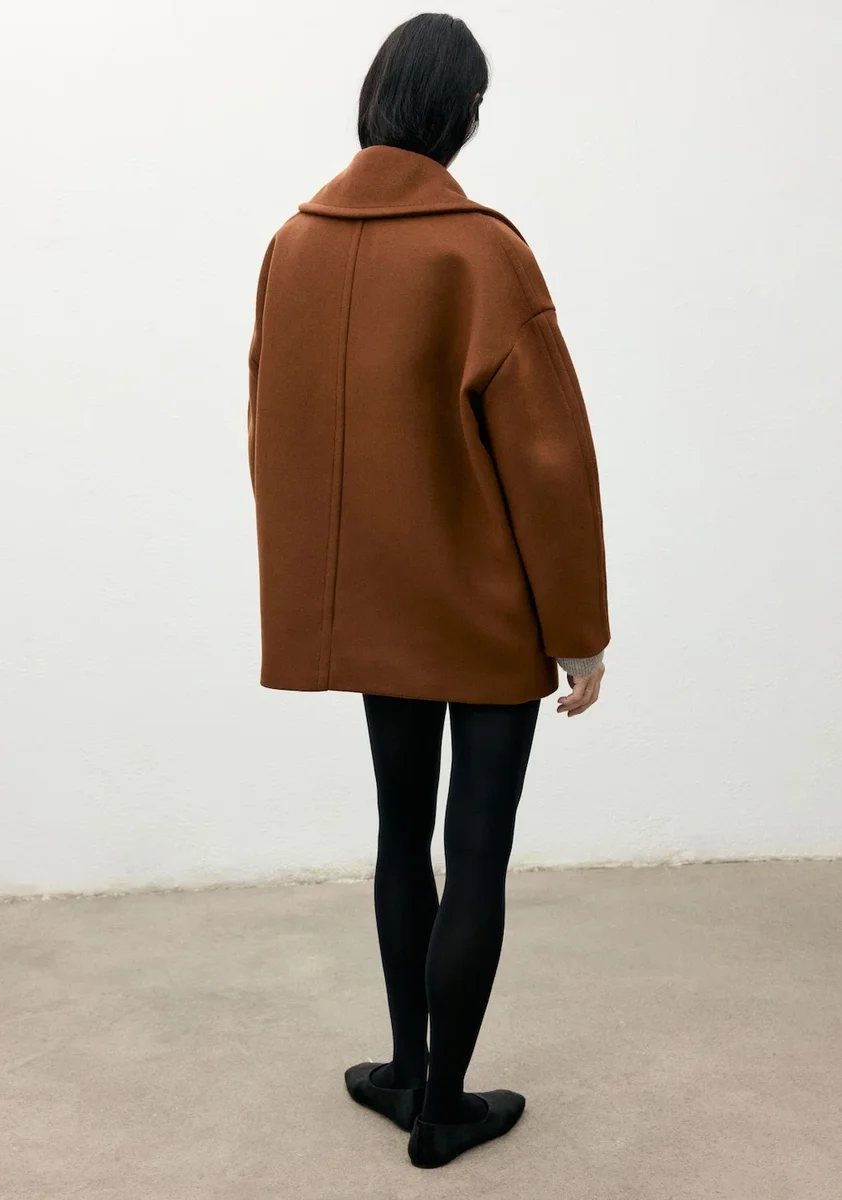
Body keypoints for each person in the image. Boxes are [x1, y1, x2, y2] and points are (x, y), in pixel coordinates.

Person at [247, 12, 610, 1169]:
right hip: (488, 610)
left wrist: (319, 604)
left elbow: (275, 436)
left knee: (401, 832)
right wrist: (579, 633)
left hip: (378, 608)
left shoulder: (292, 246)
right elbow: (549, 458)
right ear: (460, 114)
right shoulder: (482, 250)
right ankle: (445, 1106)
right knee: (477, 848)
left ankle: (404, 1070)